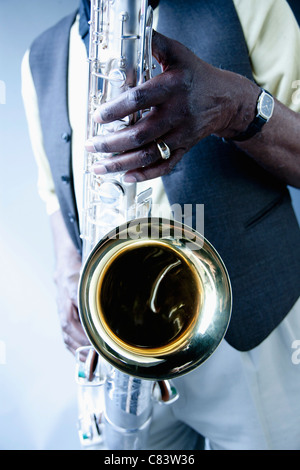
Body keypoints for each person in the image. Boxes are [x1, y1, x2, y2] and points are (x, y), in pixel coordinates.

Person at [22, 0, 300, 450]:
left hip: (255, 326)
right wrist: (67, 273)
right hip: (125, 342)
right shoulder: (39, 55)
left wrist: (237, 107)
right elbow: (54, 190)